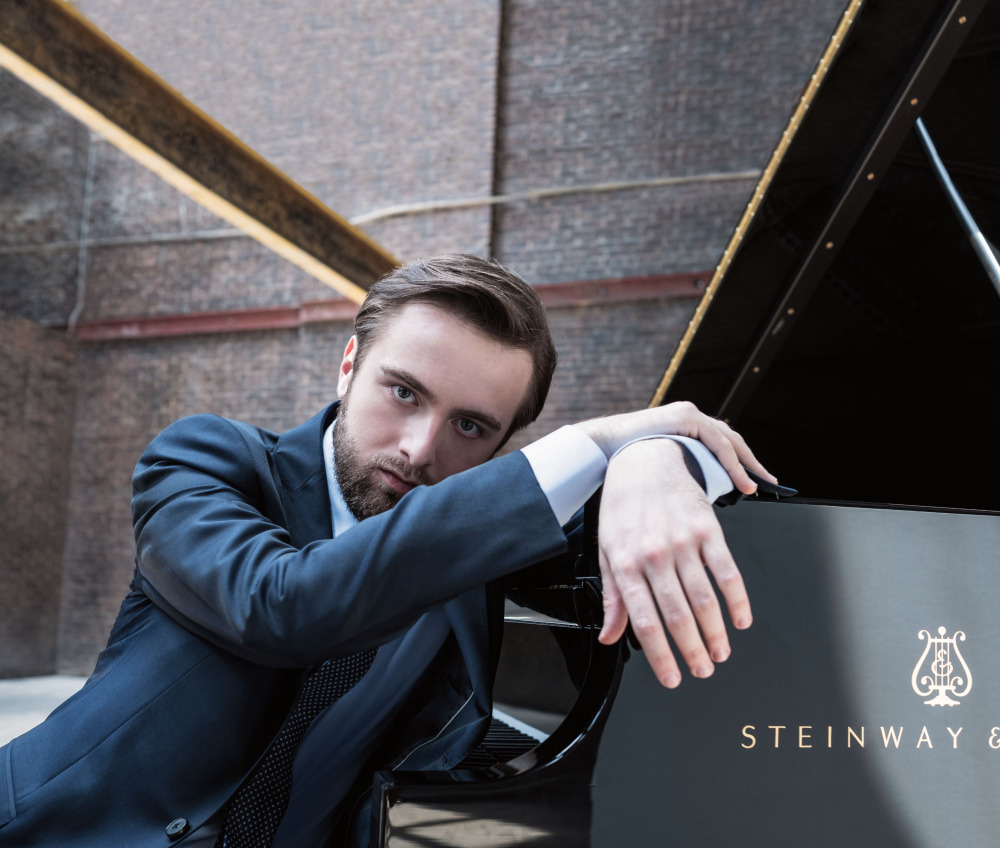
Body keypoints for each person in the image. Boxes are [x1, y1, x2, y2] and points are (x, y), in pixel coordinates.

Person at [0, 254, 774, 847]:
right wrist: (595, 442)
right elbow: (284, 607)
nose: (418, 449)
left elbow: (652, 501)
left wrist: (655, 456)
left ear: (505, 443)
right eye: (402, 392)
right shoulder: (206, 462)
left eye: (471, 427)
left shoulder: (481, 537)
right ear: (349, 364)